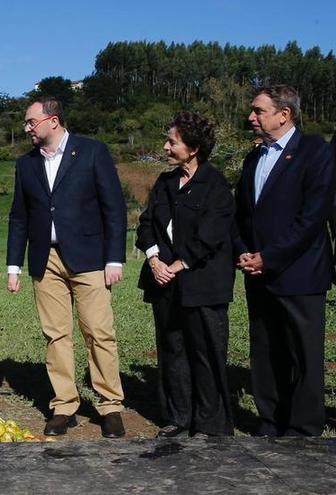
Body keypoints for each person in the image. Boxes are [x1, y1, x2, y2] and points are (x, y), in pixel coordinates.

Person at [6, 97, 128, 438]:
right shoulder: (25, 165)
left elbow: (114, 208)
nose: (26, 128)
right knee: (55, 334)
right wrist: (13, 265)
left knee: (98, 332)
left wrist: (114, 258)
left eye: (31, 122)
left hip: (90, 258)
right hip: (46, 259)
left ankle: (110, 406)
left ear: (53, 121)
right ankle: (64, 406)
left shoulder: (92, 152)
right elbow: (19, 217)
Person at [234, 85, 335, 436]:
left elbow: (312, 216)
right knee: (265, 349)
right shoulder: (253, 158)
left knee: (303, 353)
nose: (251, 117)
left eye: (258, 111)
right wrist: (243, 251)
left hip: (300, 271)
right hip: (257, 272)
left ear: (284, 114)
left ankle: (304, 426)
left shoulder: (314, 151)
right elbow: (243, 214)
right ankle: (271, 419)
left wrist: (271, 257)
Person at [136, 112, 235, 438]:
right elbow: (147, 223)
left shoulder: (215, 185)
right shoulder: (165, 183)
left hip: (203, 285)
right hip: (164, 284)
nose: (165, 146)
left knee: (205, 353)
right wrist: (154, 261)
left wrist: (176, 266)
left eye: (172, 141)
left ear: (193, 148)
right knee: (172, 350)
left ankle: (210, 423)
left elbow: (211, 235)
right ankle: (179, 417)